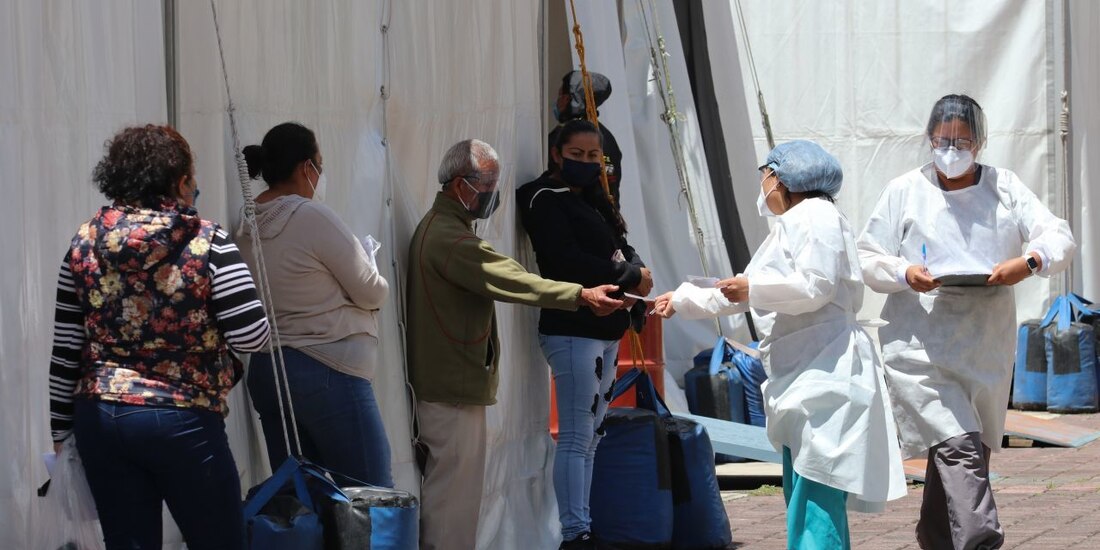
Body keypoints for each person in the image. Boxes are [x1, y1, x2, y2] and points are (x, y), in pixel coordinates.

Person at [653, 140, 907, 550]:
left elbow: (814, 287)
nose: (763, 186)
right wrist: (681, 299)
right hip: (807, 373)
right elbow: (738, 290)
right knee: (807, 493)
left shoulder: (815, 216)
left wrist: (749, 288)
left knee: (816, 494)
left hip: (827, 374)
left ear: (781, 178)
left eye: (765, 176)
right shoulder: (795, 223)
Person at [857, 94, 1076, 549]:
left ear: (979, 142)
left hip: (984, 341)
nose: (952, 151)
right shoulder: (904, 190)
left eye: (962, 140)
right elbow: (866, 256)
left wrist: (1030, 261)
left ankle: (937, 537)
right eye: (943, 140)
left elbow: (1058, 235)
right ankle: (981, 540)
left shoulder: (1005, 186)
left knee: (966, 447)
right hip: (921, 345)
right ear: (929, 139)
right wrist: (904, 272)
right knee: (958, 444)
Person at [48, 124, 271, 548]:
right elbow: (252, 336)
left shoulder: (83, 242)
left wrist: (60, 433)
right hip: (183, 417)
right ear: (180, 181)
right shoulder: (209, 241)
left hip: (100, 417)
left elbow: (65, 349)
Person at [406, 139, 625, 550]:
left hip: (453, 384)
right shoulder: (451, 240)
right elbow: (514, 279)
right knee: (453, 502)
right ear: (459, 185)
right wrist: (581, 294)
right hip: (450, 389)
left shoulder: (447, 230)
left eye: (494, 180)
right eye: (486, 182)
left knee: (455, 497)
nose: (493, 190)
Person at [517, 120, 653, 549]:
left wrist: (635, 272)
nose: (586, 163)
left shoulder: (592, 199)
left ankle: (582, 525)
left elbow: (619, 245)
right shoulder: (542, 197)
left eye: (594, 157)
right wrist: (629, 274)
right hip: (574, 329)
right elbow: (563, 259)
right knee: (576, 436)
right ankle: (575, 533)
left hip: (607, 329)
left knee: (591, 436)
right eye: (577, 155)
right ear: (557, 153)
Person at [237, 122, 394, 489]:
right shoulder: (312, 216)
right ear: (307, 167)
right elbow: (371, 291)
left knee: (302, 502)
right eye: (320, 166)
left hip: (269, 371)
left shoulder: (245, 225)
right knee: (369, 497)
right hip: (328, 371)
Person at [549, 70, 625, 206]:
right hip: (606, 219)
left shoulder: (569, 134)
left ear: (567, 99)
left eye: (560, 95)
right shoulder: (606, 136)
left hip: (573, 215)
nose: (557, 101)